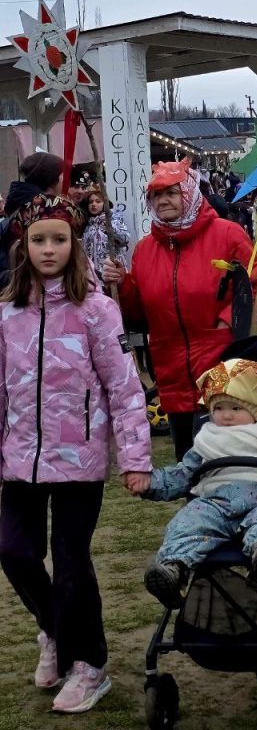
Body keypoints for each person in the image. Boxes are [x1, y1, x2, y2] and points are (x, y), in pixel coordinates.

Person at [0, 194, 151, 714]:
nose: (49, 249)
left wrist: (135, 457)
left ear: (74, 244)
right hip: (19, 458)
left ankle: (89, 663)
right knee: (14, 550)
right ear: (23, 245)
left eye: (59, 239)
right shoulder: (7, 314)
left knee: (70, 561)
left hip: (78, 459)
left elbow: (124, 387)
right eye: (39, 240)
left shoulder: (97, 310)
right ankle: (54, 628)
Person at [103, 158, 257, 460]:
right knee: (187, 462)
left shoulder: (228, 234)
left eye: (171, 192)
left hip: (222, 371)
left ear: (189, 193)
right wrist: (122, 285)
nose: (163, 200)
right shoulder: (145, 250)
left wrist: (228, 324)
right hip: (171, 375)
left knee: (225, 461)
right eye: (156, 195)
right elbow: (137, 314)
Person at [130, 358, 257, 607]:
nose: (226, 415)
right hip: (217, 500)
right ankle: (173, 567)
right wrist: (149, 483)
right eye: (218, 408)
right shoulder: (208, 439)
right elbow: (184, 474)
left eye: (236, 408)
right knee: (190, 520)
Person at [1, 153, 65, 290]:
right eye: (62, 175)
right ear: (54, 180)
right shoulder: (42, 213)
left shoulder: (20, 207)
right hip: (30, 291)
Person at [81, 187, 130, 281]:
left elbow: (125, 239)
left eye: (98, 201)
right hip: (94, 276)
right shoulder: (88, 225)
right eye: (91, 202)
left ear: (105, 203)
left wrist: (109, 227)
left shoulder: (114, 219)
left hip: (112, 272)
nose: (93, 204)